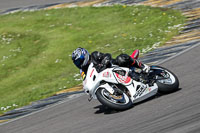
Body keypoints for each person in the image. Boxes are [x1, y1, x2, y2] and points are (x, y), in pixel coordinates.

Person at [71, 47, 150, 80]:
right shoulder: (82, 71)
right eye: (77, 63)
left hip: (114, 67)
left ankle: (143, 66)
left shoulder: (94, 55)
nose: (79, 64)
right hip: (106, 78)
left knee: (121, 59)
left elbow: (107, 55)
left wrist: (104, 62)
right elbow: (86, 81)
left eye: (80, 61)